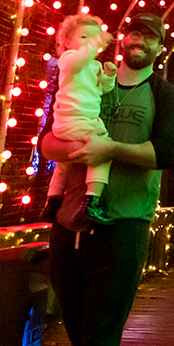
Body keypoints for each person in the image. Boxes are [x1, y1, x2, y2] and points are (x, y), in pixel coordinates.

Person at [40, 14, 174, 346]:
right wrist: (69, 147)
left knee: (100, 336)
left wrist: (111, 149)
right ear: (121, 39)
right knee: (79, 332)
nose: (140, 40)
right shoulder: (83, 73)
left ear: (160, 48)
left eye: (151, 37)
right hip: (69, 223)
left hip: (124, 224)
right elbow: (45, 140)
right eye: (134, 32)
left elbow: (169, 151)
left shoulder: (165, 94)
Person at [46, 13, 115, 226]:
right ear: (66, 41)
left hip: (73, 123)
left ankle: (53, 200)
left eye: (93, 38)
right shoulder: (68, 59)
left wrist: (109, 76)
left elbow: (101, 90)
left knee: (63, 163)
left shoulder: (93, 66)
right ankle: (92, 201)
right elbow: (76, 62)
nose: (89, 43)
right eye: (84, 37)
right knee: (103, 151)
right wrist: (96, 42)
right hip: (76, 120)